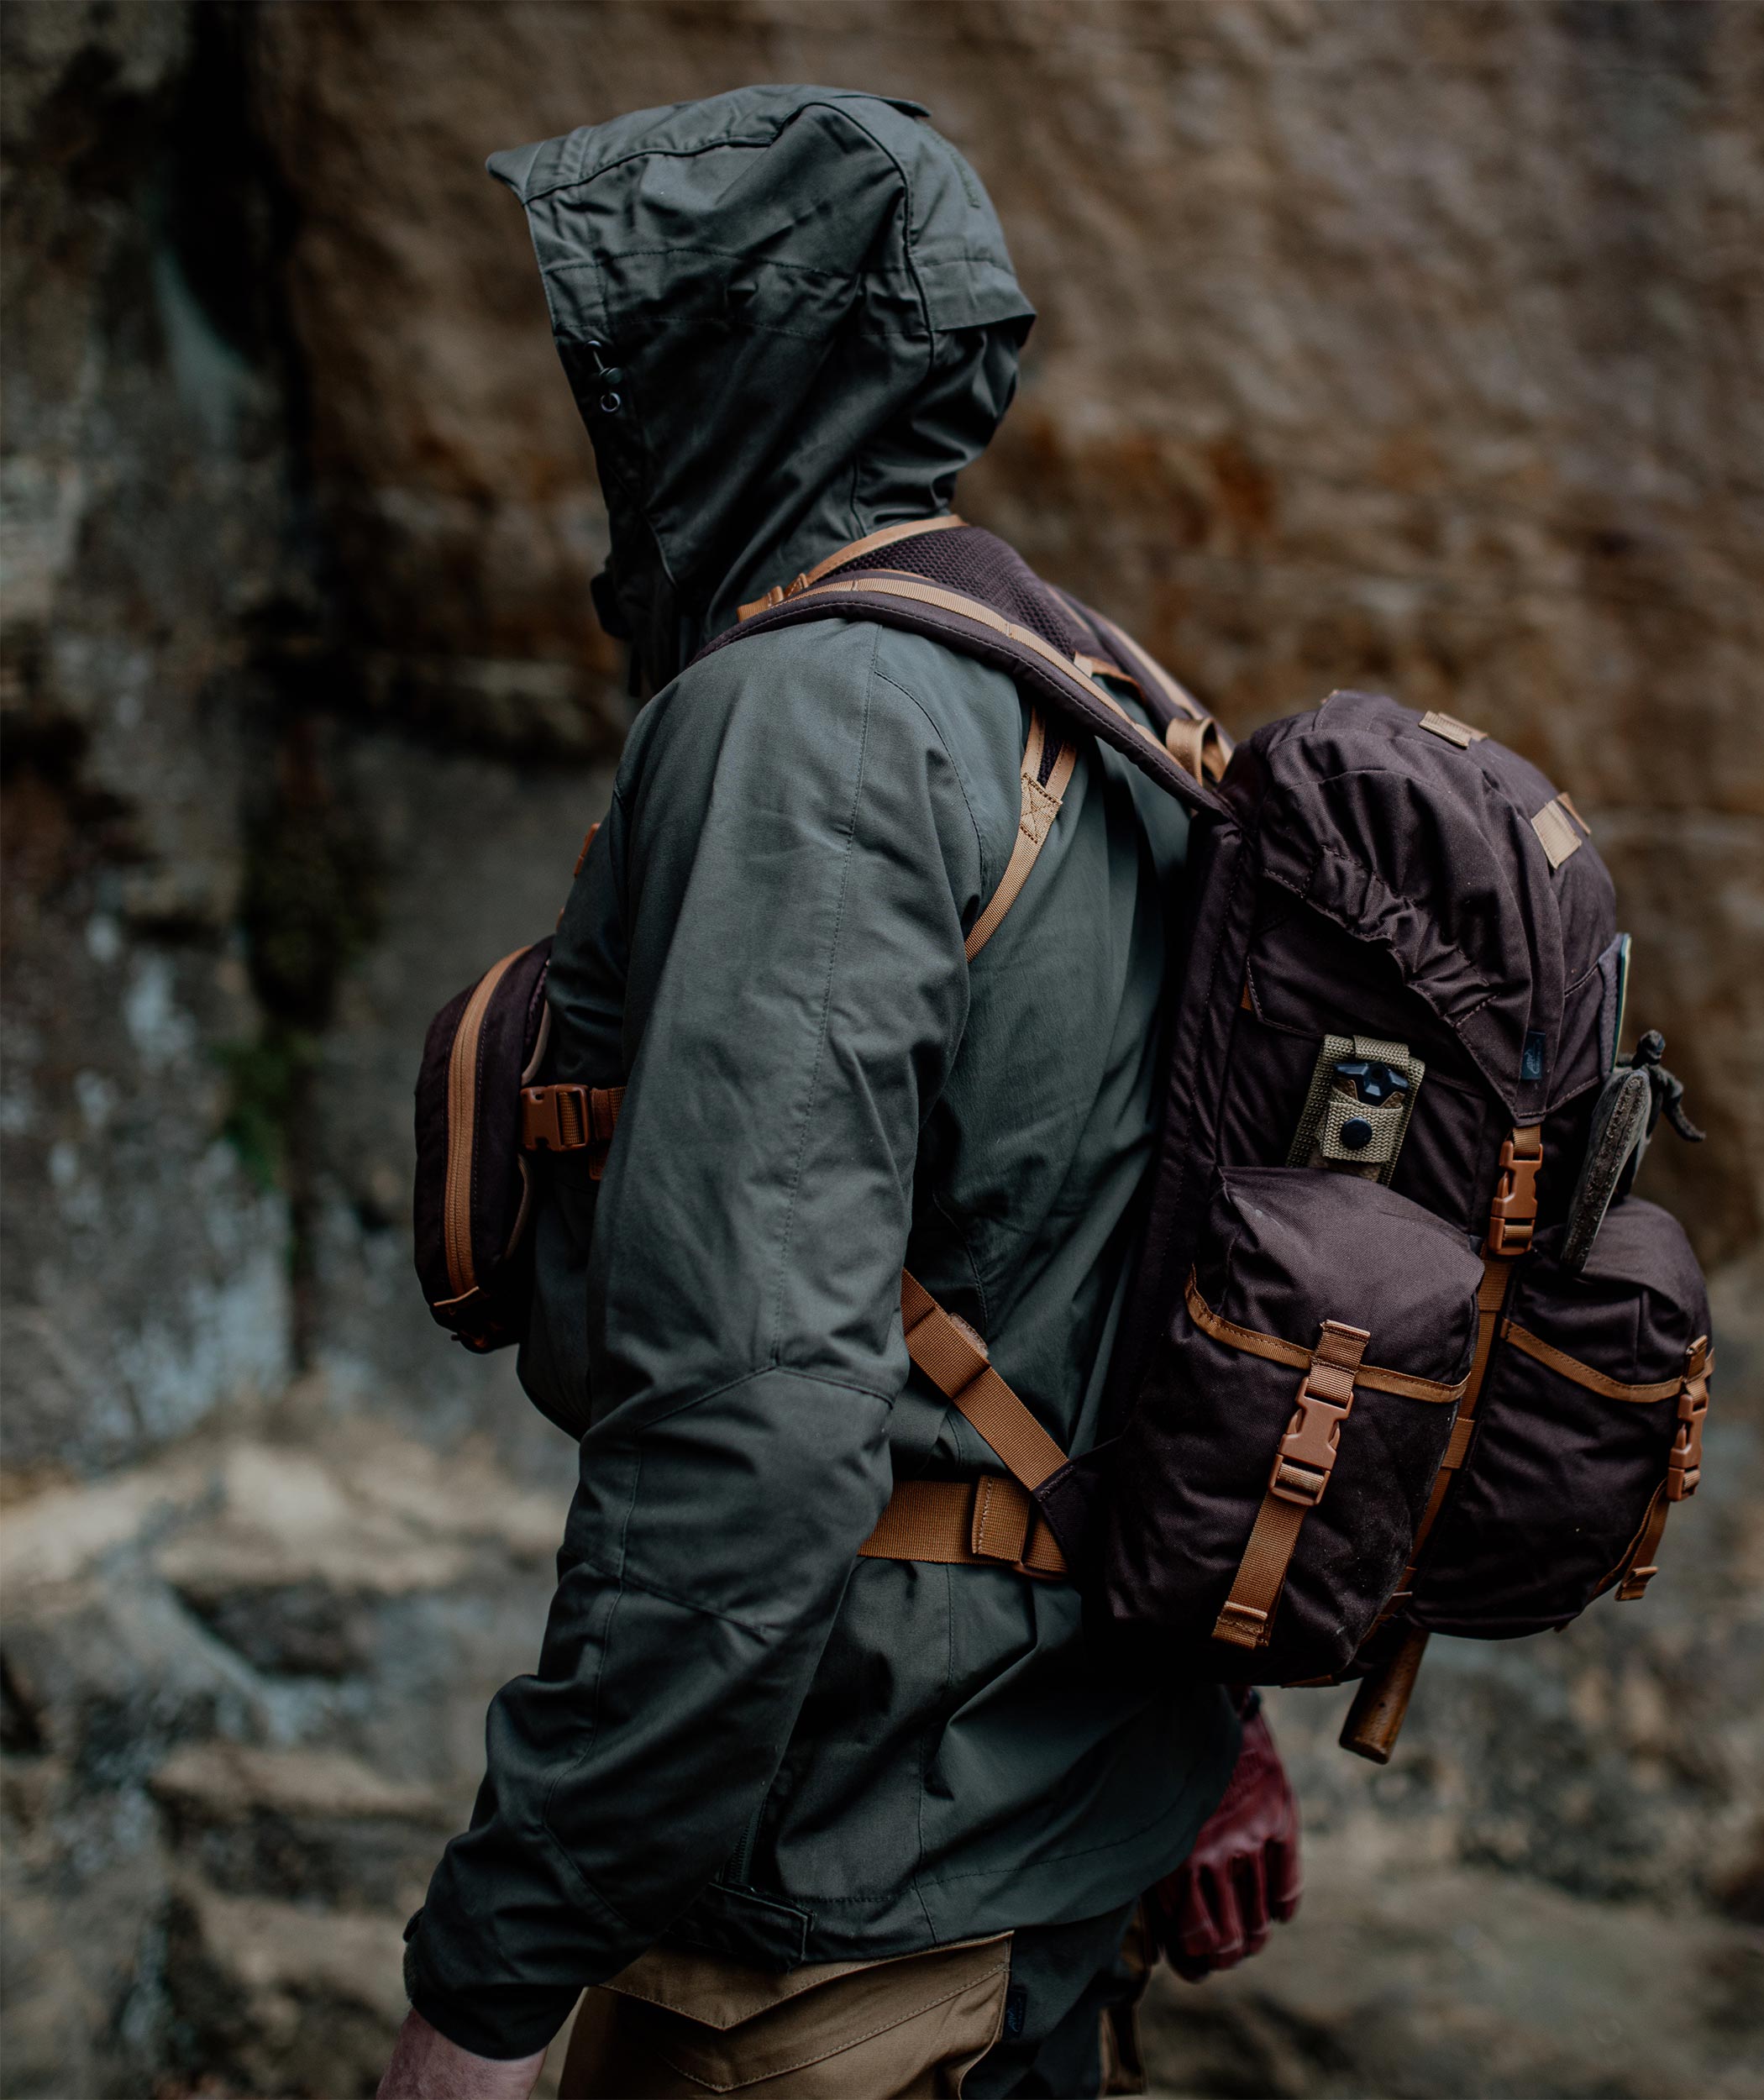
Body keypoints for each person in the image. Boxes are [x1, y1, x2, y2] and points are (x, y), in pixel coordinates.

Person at [375, 86, 1299, 2100]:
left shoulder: (803, 723)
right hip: (1058, 1845)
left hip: (839, 1923)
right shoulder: (1085, 689)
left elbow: (750, 1434)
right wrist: (1213, 1727)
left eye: (621, 364)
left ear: (717, 372)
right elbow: (1139, 1269)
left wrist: (490, 1978)